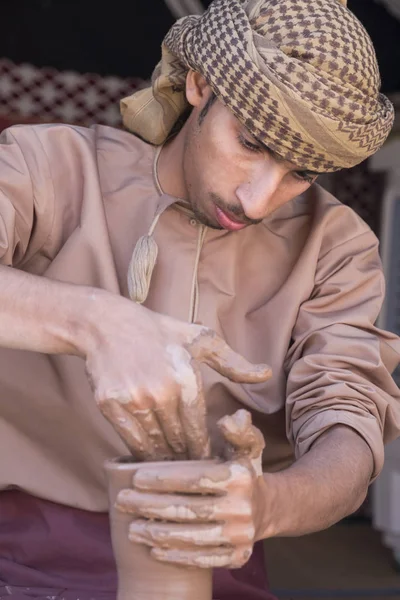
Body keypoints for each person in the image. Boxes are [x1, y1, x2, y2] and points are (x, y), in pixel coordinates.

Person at [0, 0, 400, 599]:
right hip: (18, 553)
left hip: (218, 567)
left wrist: (267, 505)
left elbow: (347, 434)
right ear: (200, 83)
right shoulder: (49, 168)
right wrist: (97, 321)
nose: (258, 199)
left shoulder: (335, 248)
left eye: (300, 175)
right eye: (252, 143)